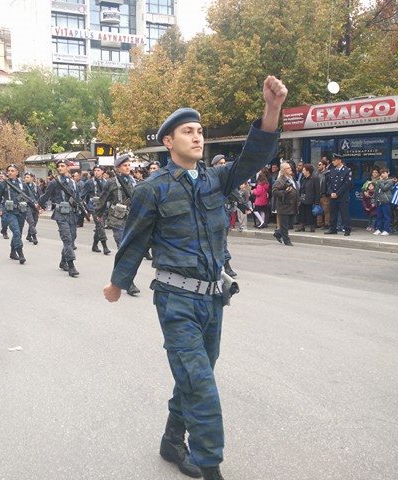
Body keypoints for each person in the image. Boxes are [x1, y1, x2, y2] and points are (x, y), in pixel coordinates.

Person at [103, 75, 287, 480]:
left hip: (213, 299)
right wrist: (118, 282)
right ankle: (210, 465)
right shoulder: (151, 189)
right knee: (202, 385)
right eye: (188, 131)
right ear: (169, 141)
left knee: (194, 375)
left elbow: (253, 159)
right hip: (176, 300)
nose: (198, 137)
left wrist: (271, 110)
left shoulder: (214, 180)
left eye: (200, 131)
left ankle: (171, 440)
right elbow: (134, 241)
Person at [97, 154, 140, 296]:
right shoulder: (111, 182)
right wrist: (98, 214)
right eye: (124, 165)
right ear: (118, 168)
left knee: (131, 251)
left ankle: (120, 278)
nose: (127, 168)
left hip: (132, 219)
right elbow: (103, 199)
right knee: (123, 249)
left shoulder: (134, 181)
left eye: (129, 165)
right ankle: (128, 282)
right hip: (118, 219)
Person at [38, 160, 81, 277]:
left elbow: (78, 198)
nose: (60, 168)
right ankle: (71, 265)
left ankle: (63, 262)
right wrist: (39, 206)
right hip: (60, 213)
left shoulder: (73, 182)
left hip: (71, 213)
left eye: (63, 166)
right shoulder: (54, 182)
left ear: (68, 168)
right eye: (59, 166)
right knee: (67, 238)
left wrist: (84, 211)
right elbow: (46, 195)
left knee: (72, 237)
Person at [0, 164, 28, 264]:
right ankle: (20, 253)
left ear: (17, 172)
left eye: (12, 171)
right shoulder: (3, 184)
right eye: (8, 170)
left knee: (19, 234)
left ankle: (13, 252)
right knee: (16, 232)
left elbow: (30, 196)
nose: (10, 172)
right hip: (9, 212)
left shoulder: (22, 184)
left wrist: (36, 206)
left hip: (21, 212)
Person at [324, 153, 352, 236]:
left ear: (339, 160)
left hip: (342, 196)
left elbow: (347, 184)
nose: (333, 162)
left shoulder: (347, 170)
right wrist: (331, 192)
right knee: (333, 213)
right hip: (333, 196)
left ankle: (347, 229)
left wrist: (337, 193)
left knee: (344, 213)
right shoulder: (332, 171)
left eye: (334, 160)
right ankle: (333, 229)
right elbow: (329, 183)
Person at [272, 161, 299, 245]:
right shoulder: (280, 180)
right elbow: (274, 191)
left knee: (290, 224)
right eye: (288, 168)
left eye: (290, 168)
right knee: (284, 225)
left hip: (293, 206)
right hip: (284, 206)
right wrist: (284, 192)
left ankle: (278, 233)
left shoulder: (292, 178)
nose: (290, 169)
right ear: (283, 170)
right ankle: (287, 241)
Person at [87, 165, 111, 255]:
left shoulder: (106, 182)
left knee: (99, 227)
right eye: (95, 170)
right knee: (100, 225)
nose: (96, 172)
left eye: (98, 170)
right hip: (94, 207)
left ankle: (94, 245)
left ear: (102, 172)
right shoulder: (90, 182)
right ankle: (105, 246)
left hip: (104, 207)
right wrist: (86, 209)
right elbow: (83, 195)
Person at [296, 164, 319, 232]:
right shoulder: (303, 179)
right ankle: (302, 226)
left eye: (304, 170)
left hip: (311, 199)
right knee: (302, 213)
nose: (303, 171)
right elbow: (301, 189)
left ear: (308, 171)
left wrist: (316, 201)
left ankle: (312, 226)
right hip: (303, 199)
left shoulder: (314, 178)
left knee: (310, 213)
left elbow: (317, 191)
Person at [373, 168, 395, 236]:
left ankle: (387, 229)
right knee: (379, 216)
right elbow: (376, 191)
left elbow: (384, 188)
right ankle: (379, 229)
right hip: (379, 200)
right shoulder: (379, 181)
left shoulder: (390, 181)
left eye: (384, 173)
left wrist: (380, 181)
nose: (382, 174)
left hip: (386, 200)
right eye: (381, 173)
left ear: (388, 173)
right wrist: (375, 200)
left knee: (386, 216)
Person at [22, 172, 41, 246]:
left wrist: (41, 206)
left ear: (32, 178)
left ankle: (29, 235)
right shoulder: (23, 186)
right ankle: (34, 237)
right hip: (27, 206)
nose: (26, 179)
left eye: (28, 177)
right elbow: (23, 196)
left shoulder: (36, 186)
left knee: (35, 221)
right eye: (25, 177)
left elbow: (41, 196)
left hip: (35, 207)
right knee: (31, 221)